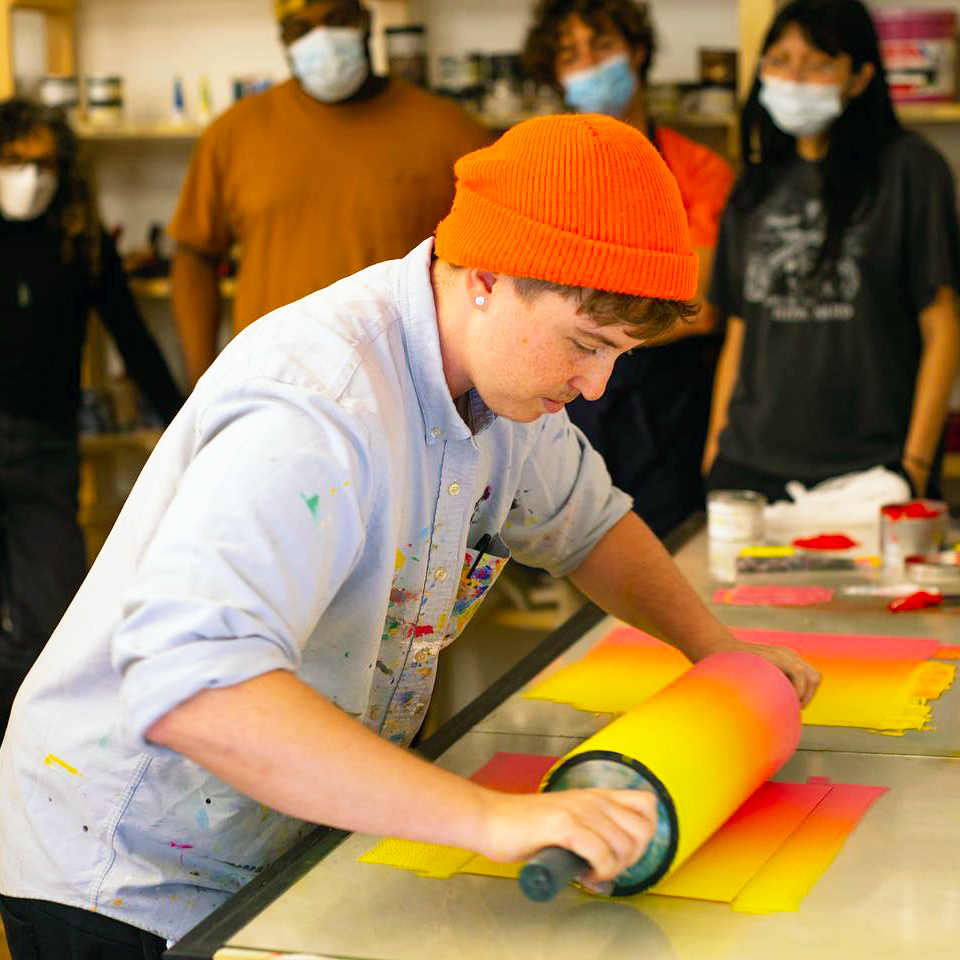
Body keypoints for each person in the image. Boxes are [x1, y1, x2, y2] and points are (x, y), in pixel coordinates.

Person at [0, 114, 819, 959]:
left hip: (277, 837)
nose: (596, 384)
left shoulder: (510, 390)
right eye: (585, 345)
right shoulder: (319, 403)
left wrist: (716, 651)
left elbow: (591, 528)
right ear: (488, 279)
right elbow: (195, 684)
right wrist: (490, 819)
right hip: (128, 869)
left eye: (620, 354)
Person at [703, 0, 960, 503]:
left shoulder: (911, 170)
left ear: (859, 78)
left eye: (819, 63)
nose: (794, 78)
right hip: (749, 464)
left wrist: (914, 465)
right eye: (779, 60)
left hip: (873, 469)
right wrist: (715, 446)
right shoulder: (754, 183)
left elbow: (942, 326)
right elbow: (740, 327)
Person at [170, 0, 491, 386]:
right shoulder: (234, 134)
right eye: (300, 29)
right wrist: (202, 383)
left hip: (405, 388)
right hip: (269, 384)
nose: (320, 38)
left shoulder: (451, 133)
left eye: (337, 19)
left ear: (365, 21)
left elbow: (493, 272)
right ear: (284, 41)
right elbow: (195, 256)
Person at [0, 98, 183, 736]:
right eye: (15, 161)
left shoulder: (79, 242)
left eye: (45, 164)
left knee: (51, 620)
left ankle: (19, 751)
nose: (31, 177)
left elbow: (133, 338)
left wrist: (183, 423)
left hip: (45, 448)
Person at [523, 0, 734, 537]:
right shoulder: (540, 174)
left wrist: (582, 318)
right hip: (561, 397)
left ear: (637, 51)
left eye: (603, 45)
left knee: (662, 552)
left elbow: (698, 308)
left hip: (664, 404)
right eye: (570, 54)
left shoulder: (699, 170)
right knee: (561, 542)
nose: (589, 64)